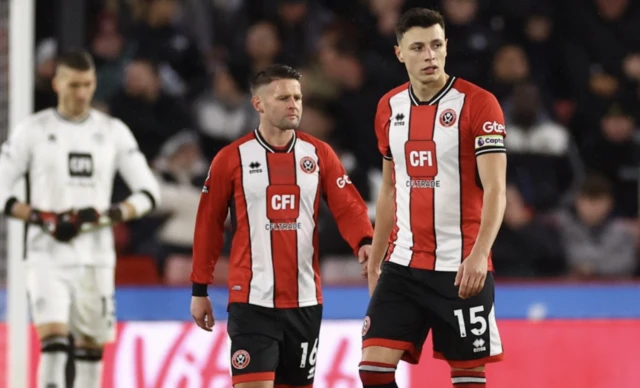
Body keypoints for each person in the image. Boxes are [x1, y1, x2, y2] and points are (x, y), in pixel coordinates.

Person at [190, 64, 374, 388]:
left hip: (305, 303)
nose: (294, 105)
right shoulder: (231, 159)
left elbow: (349, 206)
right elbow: (208, 224)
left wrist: (364, 242)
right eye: (283, 97)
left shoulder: (319, 154)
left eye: (298, 97)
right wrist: (199, 289)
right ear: (258, 104)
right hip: (251, 302)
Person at [359, 8, 506, 388]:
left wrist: (478, 255)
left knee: (468, 378)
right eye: (419, 47)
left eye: (437, 45)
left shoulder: (479, 103)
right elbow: (389, 189)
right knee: (372, 370)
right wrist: (376, 263)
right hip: (403, 264)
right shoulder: (389, 108)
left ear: (446, 47)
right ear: (399, 53)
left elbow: (496, 189)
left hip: (461, 268)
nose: (429, 55)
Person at [0, 50, 160, 388]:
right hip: (47, 254)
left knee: (91, 357)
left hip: (96, 259)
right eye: (74, 85)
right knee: (54, 347)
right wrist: (41, 217)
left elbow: (148, 192)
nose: (81, 93)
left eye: (88, 85)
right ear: (57, 83)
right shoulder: (33, 130)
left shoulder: (112, 131)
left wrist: (111, 214)